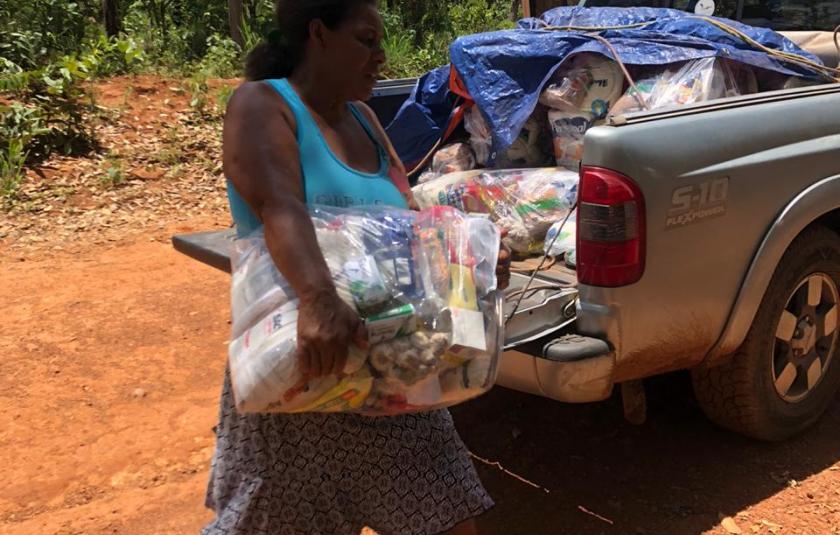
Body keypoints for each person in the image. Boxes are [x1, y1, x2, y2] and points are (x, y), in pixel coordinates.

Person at [204, 1, 511, 534]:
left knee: (450, 518)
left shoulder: (366, 120)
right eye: (366, 40)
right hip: (308, 369)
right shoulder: (262, 104)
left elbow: (410, 226)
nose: (381, 57)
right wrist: (320, 299)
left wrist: (473, 264)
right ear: (318, 34)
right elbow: (280, 206)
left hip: (396, 372)